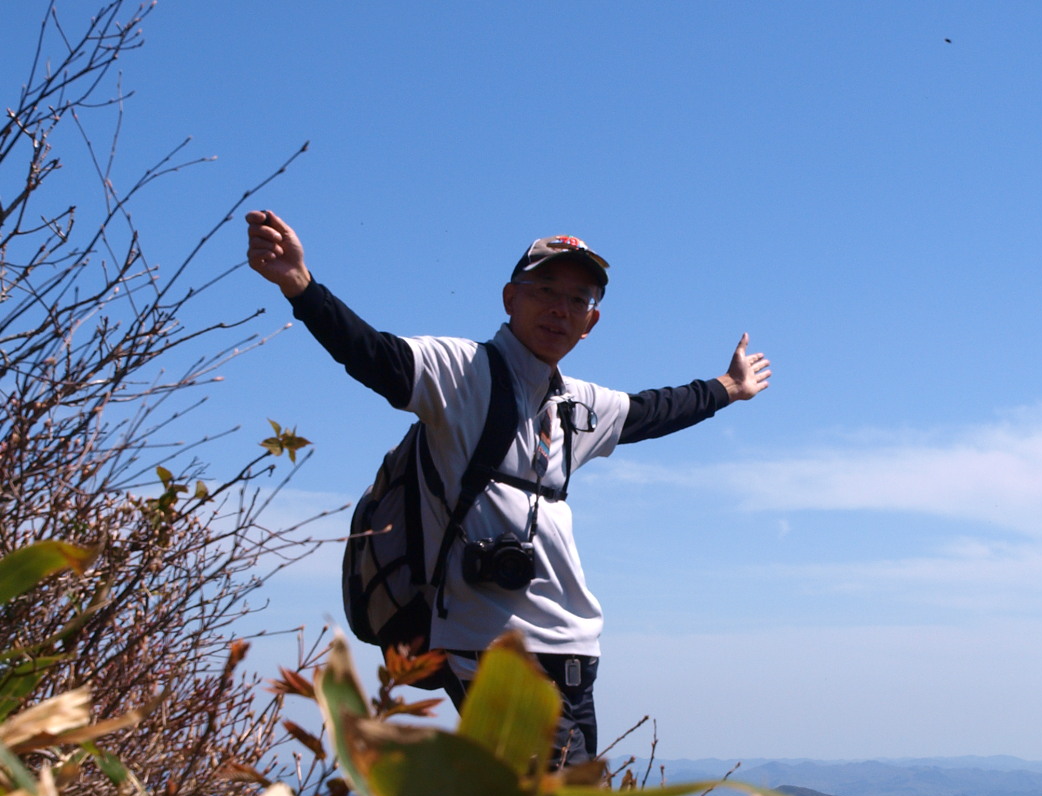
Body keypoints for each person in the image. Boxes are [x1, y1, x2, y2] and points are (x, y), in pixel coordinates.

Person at [245, 210, 770, 763]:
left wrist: (728, 387)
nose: (560, 308)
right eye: (545, 290)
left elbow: (654, 410)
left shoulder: (578, 404)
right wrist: (301, 287)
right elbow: (373, 354)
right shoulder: (459, 372)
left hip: (572, 648)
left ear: (590, 322)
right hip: (491, 648)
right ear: (510, 298)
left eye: (578, 299)